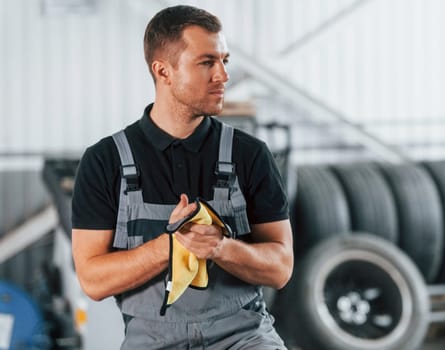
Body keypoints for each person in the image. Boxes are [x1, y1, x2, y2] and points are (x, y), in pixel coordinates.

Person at [71, 5, 293, 349]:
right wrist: (172, 245)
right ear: (163, 71)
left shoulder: (249, 154)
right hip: (152, 341)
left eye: (225, 61)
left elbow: (280, 268)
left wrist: (220, 246)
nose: (223, 75)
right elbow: (93, 281)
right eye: (207, 62)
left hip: (243, 336)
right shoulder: (105, 161)